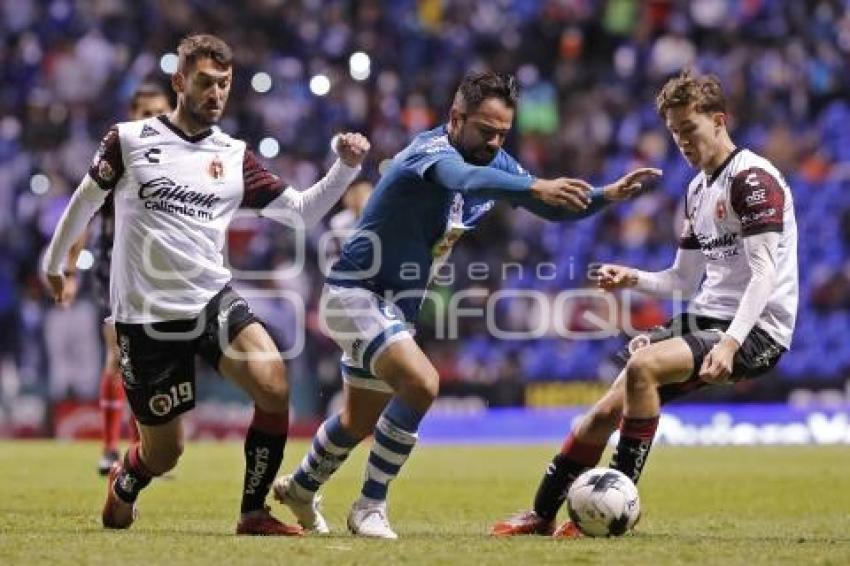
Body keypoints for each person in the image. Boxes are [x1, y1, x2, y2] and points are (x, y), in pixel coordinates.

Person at [272, 70, 661, 539]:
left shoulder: (493, 159)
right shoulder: (430, 152)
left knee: (358, 419)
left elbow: (554, 206)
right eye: (485, 130)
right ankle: (369, 506)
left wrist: (607, 195)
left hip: (393, 307)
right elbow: (465, 178)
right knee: (421, 383)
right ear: (455, 118)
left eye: (503, 133)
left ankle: (301, 487)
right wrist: (534, 185)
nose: (495, 142)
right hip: (355, 291)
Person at [42, 33, 370, 536]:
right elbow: (86, 199)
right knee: (165, 452)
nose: (216, 93)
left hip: (210, 301)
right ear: (179, 82)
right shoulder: (129, 141)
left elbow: (303, 211)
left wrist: (345, 168)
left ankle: (253, 512)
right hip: (146, 318)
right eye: (205, 82)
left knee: (273, 383)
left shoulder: (234, 156)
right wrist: (55, 261)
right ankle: (127, 480)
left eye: (224, 83)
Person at [491, 71, 798, 538]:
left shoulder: (752, 180)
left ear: (719, 121)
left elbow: (764, 274)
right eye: (674, 134)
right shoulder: (697, 190)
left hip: (756, 328)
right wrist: (630, 277)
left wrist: (731, 343)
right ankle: (541, 514)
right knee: (598, 414)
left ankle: (619, 505)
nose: (682, 143)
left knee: (643, 367)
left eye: (689, 130)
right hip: (706, 317)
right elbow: (683, 279)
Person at [61, 82, 173, 476]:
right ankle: (111, 449)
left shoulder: (173, 160)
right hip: (114, 268)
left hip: (158, 271)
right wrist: (70, 270)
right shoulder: (119, 156)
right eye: (146, 113)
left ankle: (144, 449)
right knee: (118, 354)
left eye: (160, 113)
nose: (153, 121)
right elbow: (84, 216)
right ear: (132, 114)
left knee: (153, 359)